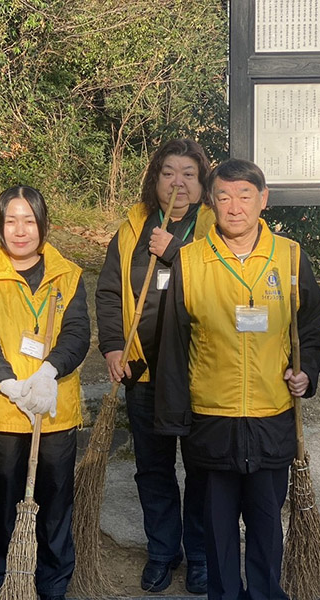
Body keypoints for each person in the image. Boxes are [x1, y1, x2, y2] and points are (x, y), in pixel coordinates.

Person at [155, 158, 320, 600]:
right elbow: (173, 344)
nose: (235, 207)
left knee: (267, 527)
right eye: (224, 196)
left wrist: (306, 371)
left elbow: (309, 325)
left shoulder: (290, 256)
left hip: (272, 415)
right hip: (212, 419)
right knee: (217, 531)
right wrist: (174, 419)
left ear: (263, 199)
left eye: (245, 196)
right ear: (211, 202)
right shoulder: (189, 261)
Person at [95, 138, 213, 594]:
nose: (177, 182)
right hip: (142, 369)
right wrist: (112, 348)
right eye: (168, 173)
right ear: (155, 179)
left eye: (188, 174)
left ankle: (200, 554)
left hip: (198, 371)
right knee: (153, 467)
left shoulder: (213, 225)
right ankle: (163, 551)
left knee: (202, 468)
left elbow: (219, 283)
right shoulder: (133, 228)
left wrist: (176, 252)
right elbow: (109, 292)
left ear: (202, 183)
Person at [0, 185, 90, 600]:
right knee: (5, 506)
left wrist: (49, 373)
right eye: (11, 221)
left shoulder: (68, 275)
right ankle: (7, 582)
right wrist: (12, 386)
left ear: (43, 224)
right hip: (2, 412)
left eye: (29, 221)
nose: (20, 231)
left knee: (55, 508)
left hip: (55, 411)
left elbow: (77, 333)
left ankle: (53, 586)